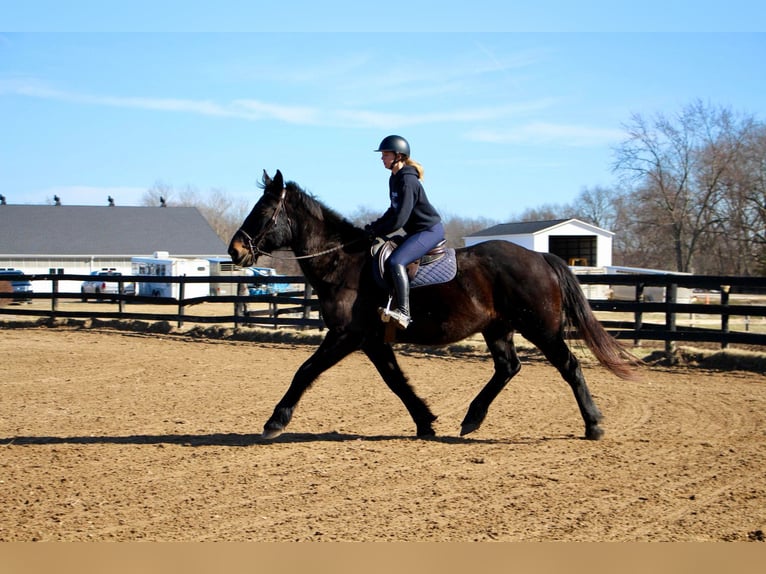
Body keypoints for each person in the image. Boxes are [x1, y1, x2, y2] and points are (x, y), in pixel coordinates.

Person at [365, 135, 445, 329]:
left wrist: (382, 230)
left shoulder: (407, 181)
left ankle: (403, 313)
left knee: (396, 261)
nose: (382, 158)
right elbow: (392, 210)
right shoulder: (394, 179)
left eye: (385, 154)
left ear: (398, 156)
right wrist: (374, 227)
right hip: (416, 231)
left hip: (428, 231)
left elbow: (400, 218)